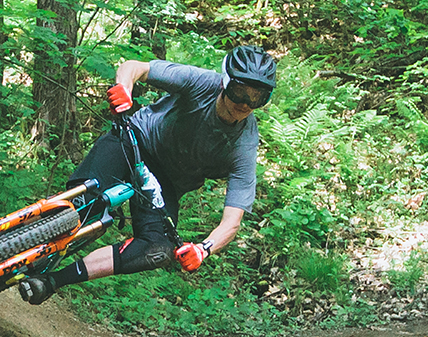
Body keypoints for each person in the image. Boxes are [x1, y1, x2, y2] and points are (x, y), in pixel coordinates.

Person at [18, 45, 277, 305]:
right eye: (239, 92)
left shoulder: (243, 144)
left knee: (158, 250)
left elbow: (231, 222)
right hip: (135, 141)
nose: (245, 104)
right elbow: (135, 67)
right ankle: (7, 241)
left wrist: (203, 249)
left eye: (257, 98)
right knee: (79, 203)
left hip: (164, 183)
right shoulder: (200, 83)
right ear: (225, 83)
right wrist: (123, 89)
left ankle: (51, 282)